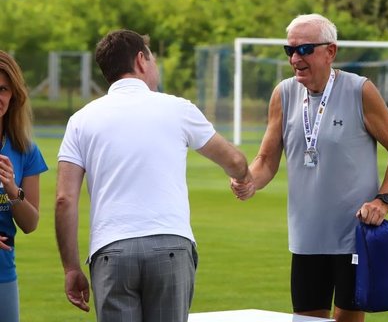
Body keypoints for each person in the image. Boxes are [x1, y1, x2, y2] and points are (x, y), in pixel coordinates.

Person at [55, 29, 252, 322]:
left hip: (111, 250)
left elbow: (64, 200)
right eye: (154, 60)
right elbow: (234, 160)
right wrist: (242, 178)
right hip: (170, 245)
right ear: (141, 60)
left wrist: (71, 268)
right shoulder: (177, 108)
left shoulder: (80, 120)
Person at [231, 14, 388, 322]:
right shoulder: (283, 94)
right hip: (306, 238)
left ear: (330, 51)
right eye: (290, 50)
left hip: (353, 237)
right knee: (306, 320)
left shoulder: (359, 91)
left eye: (305, 49)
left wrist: (383, 200)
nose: (295, 59)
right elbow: (266, 161)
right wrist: (249, 180)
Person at [0, 51, 48, 322]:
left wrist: (11, 189)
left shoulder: (25, 150)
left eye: (3, 89)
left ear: (14, 95)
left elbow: (30, 224)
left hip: (3, 272)